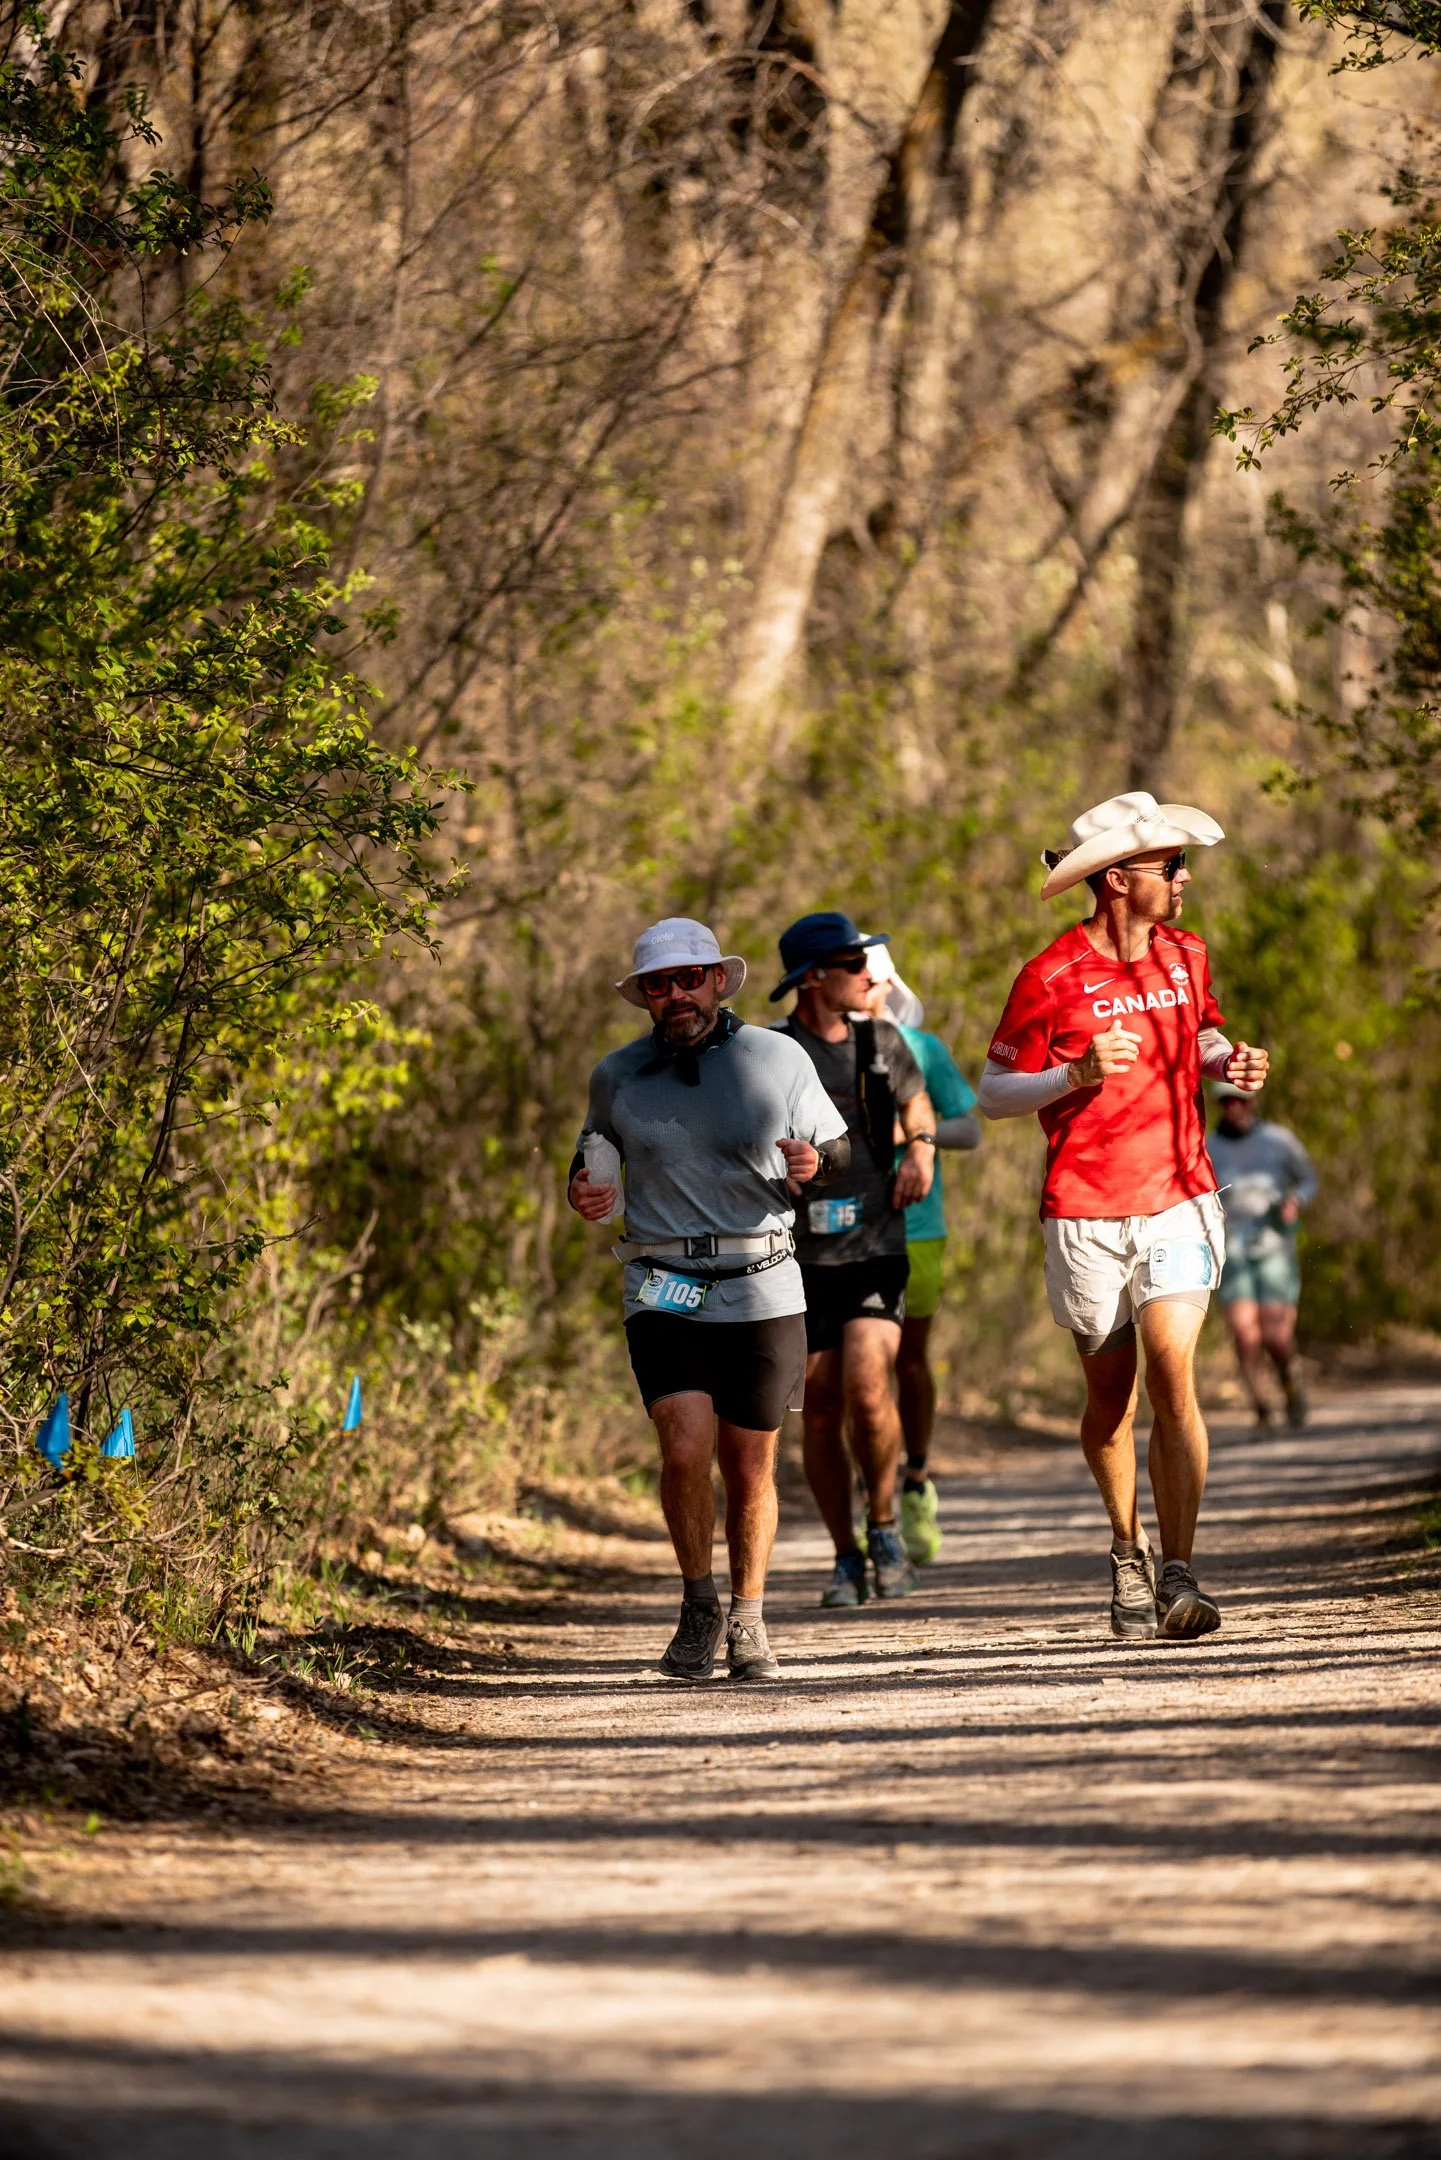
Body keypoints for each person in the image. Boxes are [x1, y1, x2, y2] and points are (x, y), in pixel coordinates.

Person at [978, 792, 1270, 1642]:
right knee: (1110, 1398)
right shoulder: (1049, 975)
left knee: (1172, 1373)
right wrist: (1071, 1076)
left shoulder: (1186, 953)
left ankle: (1178, 1570)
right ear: (1115, 879)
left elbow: (1200, 1037)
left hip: (1180, 1196)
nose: (1183, 879)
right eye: (1169, 866)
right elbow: (993, 1093)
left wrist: (1228, 1063)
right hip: (1083, 1213)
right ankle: (1125, 1549)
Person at [569, 918, 850, 1685]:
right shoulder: (616, 1074)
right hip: (661, 1282)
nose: (675, 996)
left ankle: (748, 1617)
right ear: (644, 996)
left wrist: (814, 1161)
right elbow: (589, 1155)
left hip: (762, 1277)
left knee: (749, 1463)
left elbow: (837, 1148)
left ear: (718, 981)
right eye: (658, 985)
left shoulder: (776, 1056)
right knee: (685, 1448)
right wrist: (583, 1192)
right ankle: (699, 1605)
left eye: (688, 979)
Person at [768, 911, 937, 1606]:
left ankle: (885, 1526)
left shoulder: (881, 1040)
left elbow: (917, 1104)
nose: (871, 975)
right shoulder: (769, 1052)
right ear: (814, 978)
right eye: (854, 964)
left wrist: (921, 1149)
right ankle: (844, 1556)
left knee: (869, 1386)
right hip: (796, 1258)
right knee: (820, 1407)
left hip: (875, 1244)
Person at [856, 943, 981, 1565]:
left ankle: (917, 1482)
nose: (863, 988)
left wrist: (908, 1132)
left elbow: (970, 1128)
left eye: (871, 979)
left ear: (889, 985)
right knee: (860, 1373)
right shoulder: (813, 1048)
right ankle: (872, 1498)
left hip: (918, 1226)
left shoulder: (922, 1049)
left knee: (908, 1361)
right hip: (843, 1231)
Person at [1209, 1082, 1318, 1429]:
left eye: (1240, 1101)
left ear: (1253, 1101)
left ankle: (1291, 1384)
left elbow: (1308, 1180)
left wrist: (1295, 1200)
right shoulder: (1209, 1147)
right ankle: (1261, 1405)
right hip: (1231, 1248)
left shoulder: (1278, 1140)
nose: (1234, 1108)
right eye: (1227, 1102)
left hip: (1275, 1247)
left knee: (1276, 1335)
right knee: (1246, 1336)